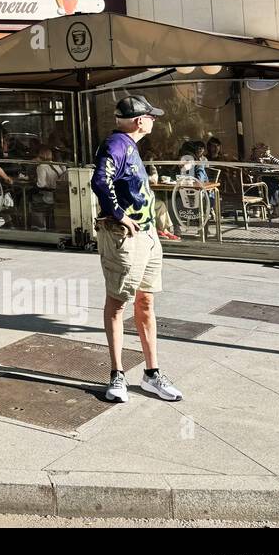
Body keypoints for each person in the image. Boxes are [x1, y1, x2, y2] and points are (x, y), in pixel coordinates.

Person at [90, 95, 184, 404]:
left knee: (145, 303)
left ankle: (151, 373)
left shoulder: (128, 146)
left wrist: (146, 224)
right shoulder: (117, 144)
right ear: (139, 121)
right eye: (151, 117)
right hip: (125, 239)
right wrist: (118, 215)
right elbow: (99, 181)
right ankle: (117, 375)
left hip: (145, 236)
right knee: (117, 303)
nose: (155, 120)